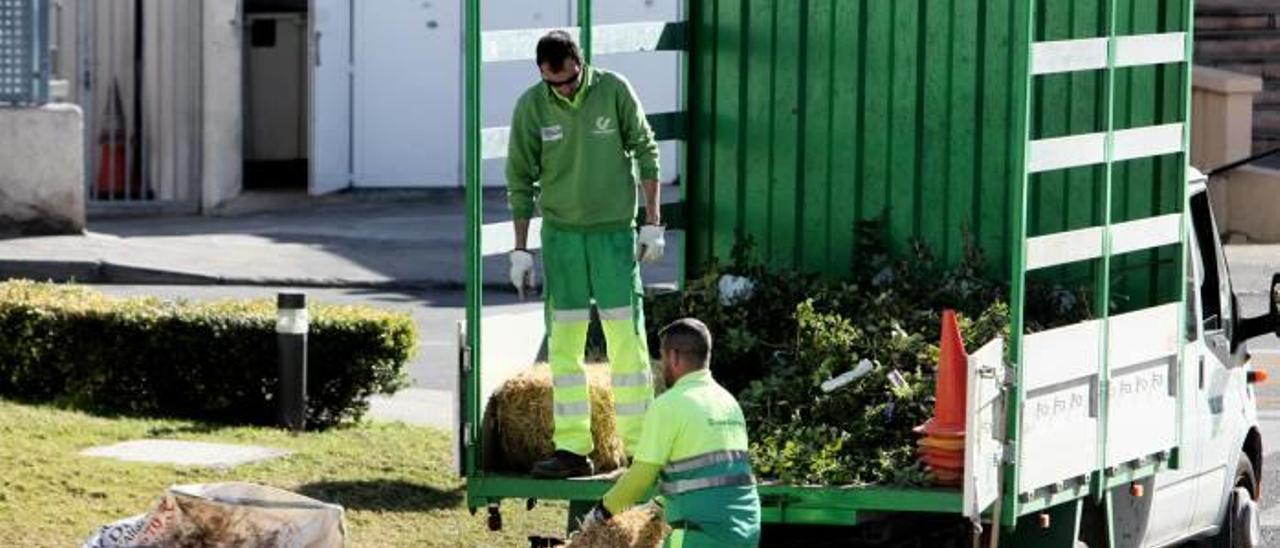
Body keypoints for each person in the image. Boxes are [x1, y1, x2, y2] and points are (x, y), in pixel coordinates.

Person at [506, 30, 666, 479]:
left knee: (627, 345)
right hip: (562, 239)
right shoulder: (531, 106)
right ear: (542, 73)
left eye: (570, 80)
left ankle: (640, 452)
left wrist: (652, 221)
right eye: (554, 83)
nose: (564, 89)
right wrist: (520, 249)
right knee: (564, 347)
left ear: (580, 63)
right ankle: (573, 449)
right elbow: (520, 179)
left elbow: (646, 151)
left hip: (614, 235)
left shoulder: (613, 89)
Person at [586, 318, 762, 547]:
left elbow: (642, 475)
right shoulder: (729, 403)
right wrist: (658, 504)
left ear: (674, 356)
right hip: (745, 532)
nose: (662, 365)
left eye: (662, 355)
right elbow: (711, 478)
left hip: (700, 535)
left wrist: (601, 512)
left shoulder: (670, 404)